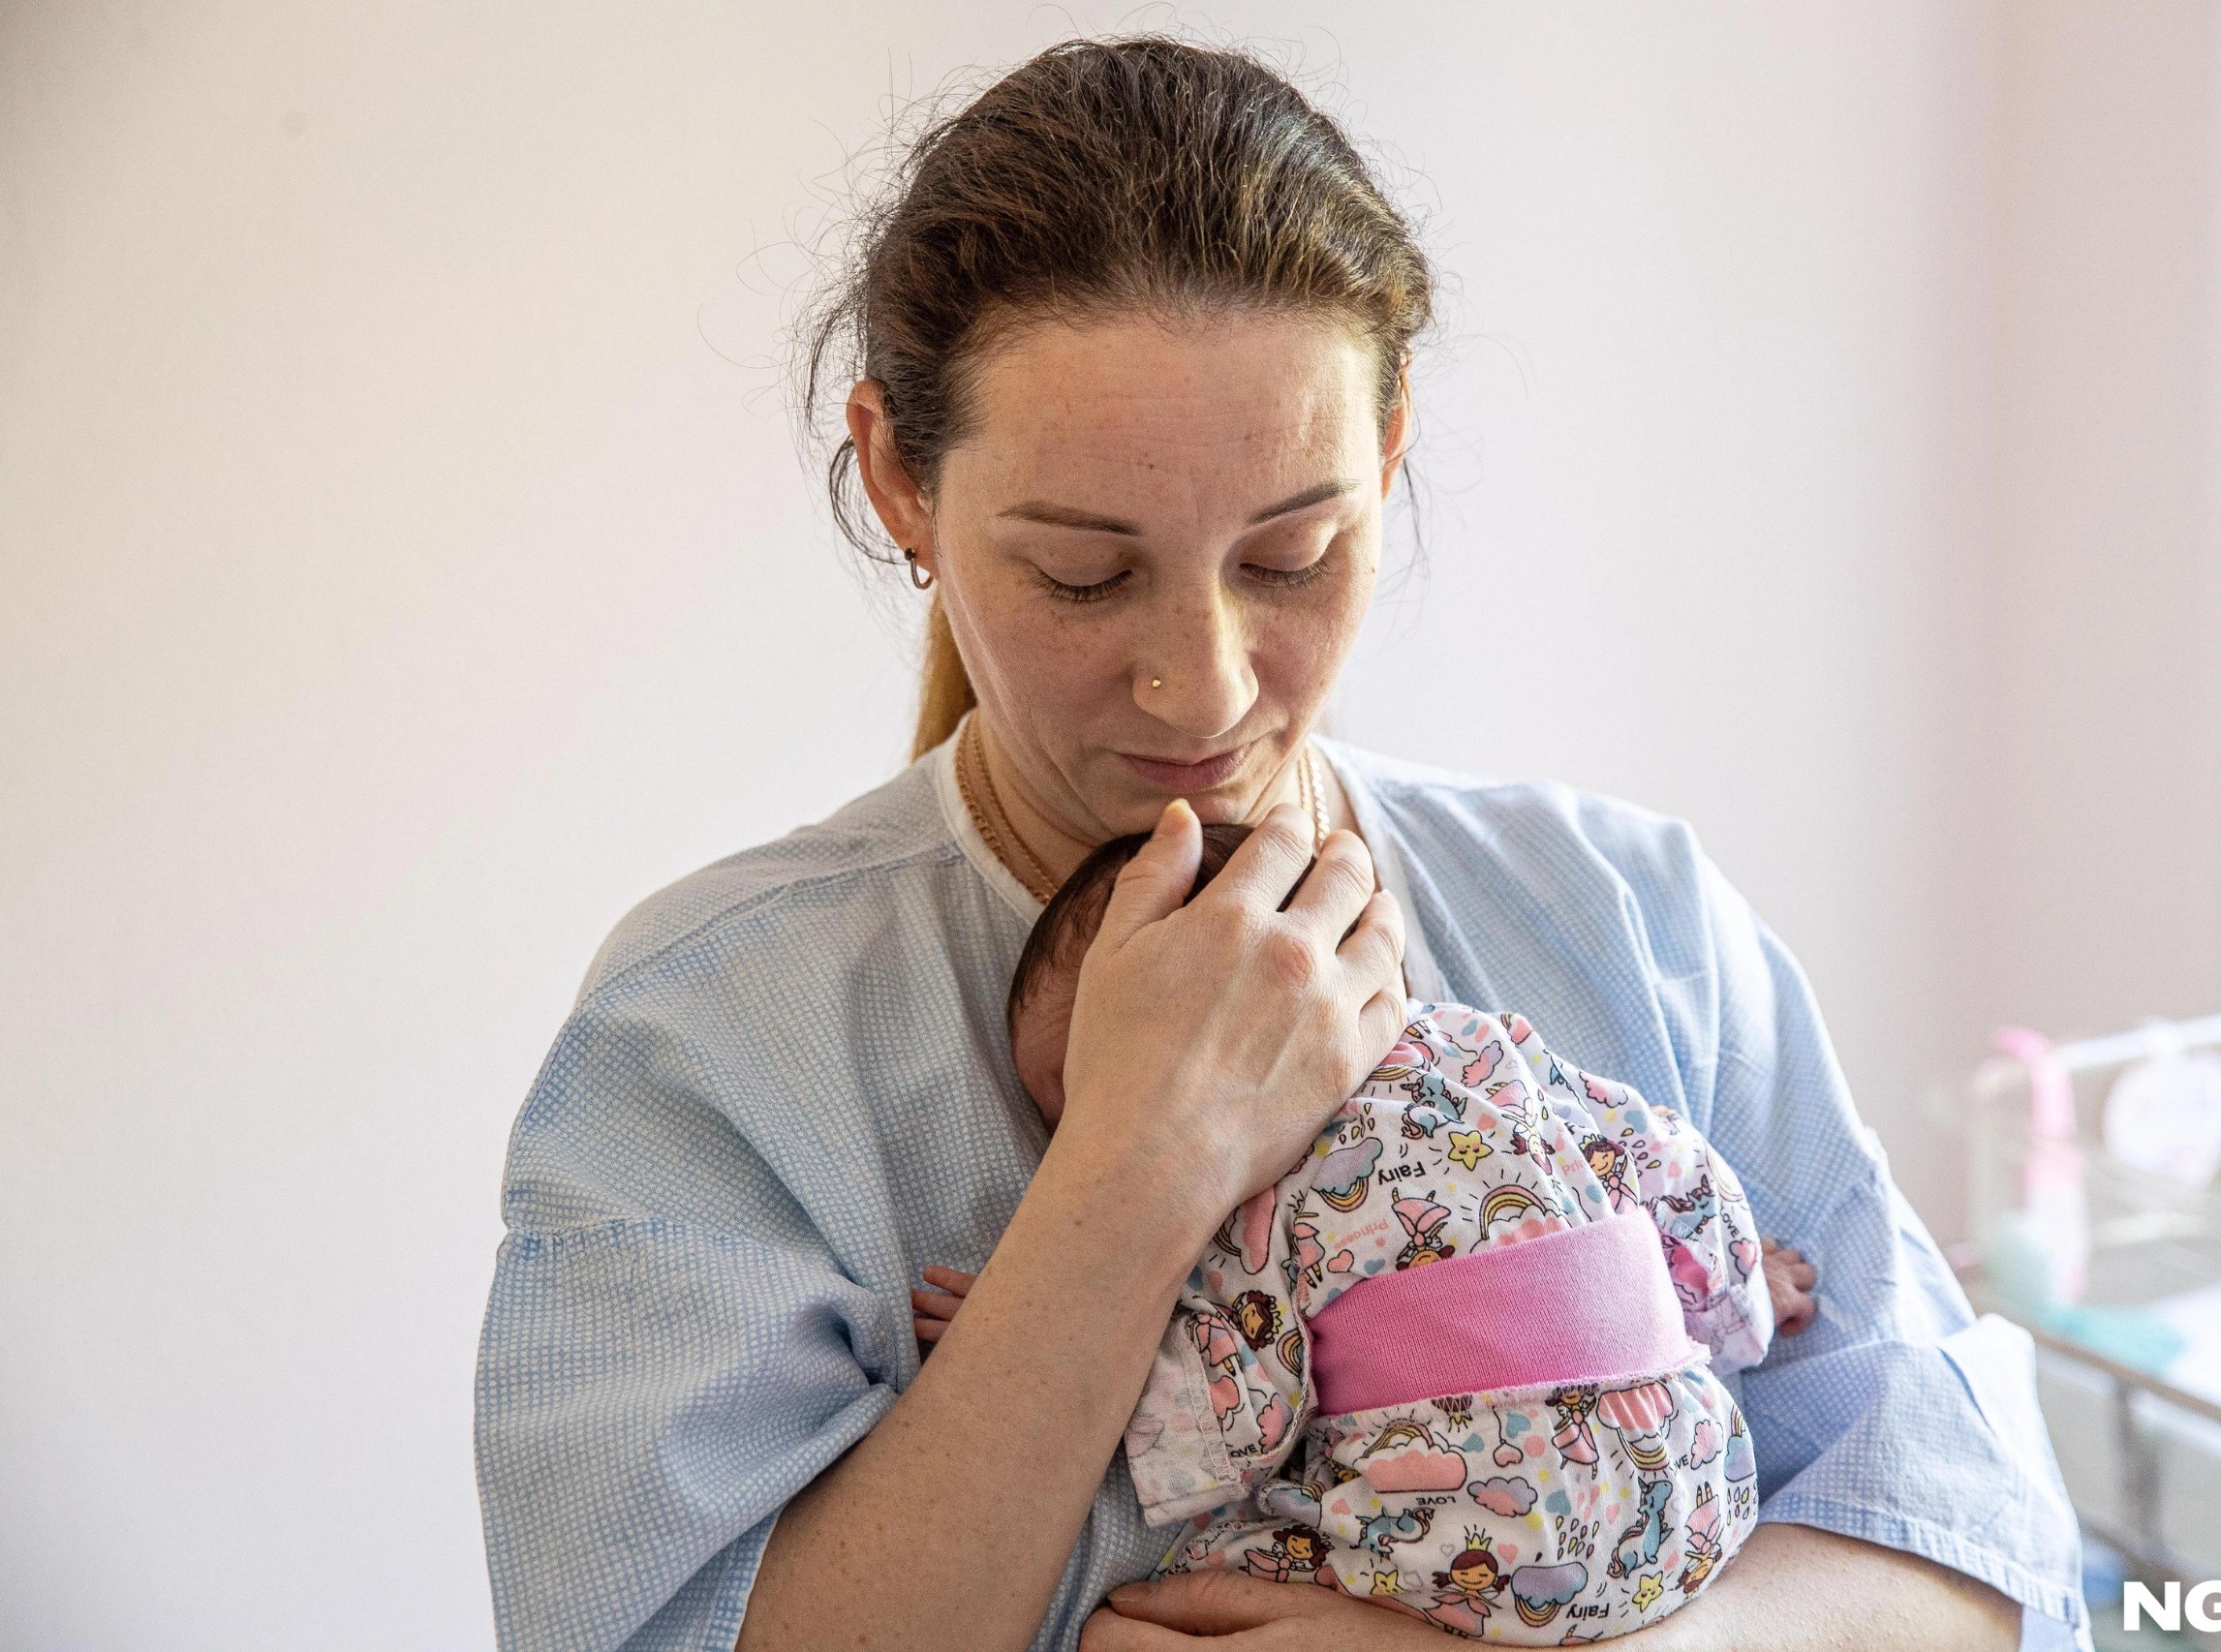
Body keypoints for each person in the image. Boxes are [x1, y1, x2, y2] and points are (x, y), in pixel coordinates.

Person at [474, 36, 2087, 1652]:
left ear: (1389, 452)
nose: (1207, 683)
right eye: (1085, 577)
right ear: (902, 479)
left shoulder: (1623, 916)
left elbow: (1969, 1552)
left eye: (1294, 554)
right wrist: (1144, 1157)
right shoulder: (717, 1033)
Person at [935, 822, 1780, 1640]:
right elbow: (1659, 1157)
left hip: (1492, 1545)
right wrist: (1740, 1294)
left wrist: (1030, 1318)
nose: (1072, 1145)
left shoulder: (1250, 1193)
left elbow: (1234, 1422)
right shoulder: (1487, 1044)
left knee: (1171, 1592)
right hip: (1694, 1487)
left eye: (1083, 1095)